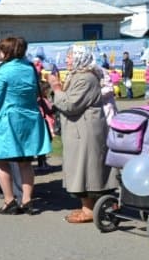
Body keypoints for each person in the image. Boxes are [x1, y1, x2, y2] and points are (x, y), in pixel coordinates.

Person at [49, 45, 118, 223]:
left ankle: (89, 210)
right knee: (81, 167)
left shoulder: (86, 78)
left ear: (80, 58)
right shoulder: (77, 76)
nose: (67, 60)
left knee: (86, 168)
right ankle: (87, 207)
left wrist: (56, 88)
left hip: (85, 130)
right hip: (79, 129)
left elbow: (70, 105)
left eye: (70, 57)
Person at [0, 37, 52, 215]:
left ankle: (9, 200)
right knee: (25, 161)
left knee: (0, 159)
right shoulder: (30, 68)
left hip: (9, 118)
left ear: (7, 52)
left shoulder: (3, 71)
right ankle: (27, 199)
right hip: (29, 117)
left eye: (1, 50)